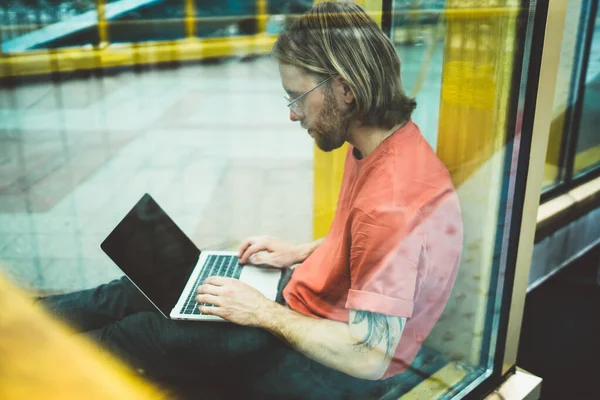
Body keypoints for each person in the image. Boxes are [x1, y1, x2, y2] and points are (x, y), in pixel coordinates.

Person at [40, 2, 463, 399]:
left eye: (296, 97)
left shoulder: (389, 200)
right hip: (300, 303)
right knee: (128, 292)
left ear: (345, 89)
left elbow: (370, 356)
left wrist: (261, 311)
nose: (293, 114)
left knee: (136, 333)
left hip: (311, 349)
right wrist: (300, 252)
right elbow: (377, 253)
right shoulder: (383, 142)